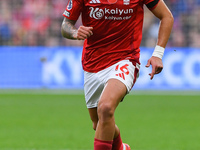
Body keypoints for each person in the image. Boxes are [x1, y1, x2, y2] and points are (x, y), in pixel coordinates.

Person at [61, 0, 174, 149]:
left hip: (125, 59)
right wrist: (75, 32)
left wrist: (158, 54)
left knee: (106, 108)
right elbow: (65, 26)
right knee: (99, 124)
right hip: (93, 63)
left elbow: (166, 16)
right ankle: (121, 148)